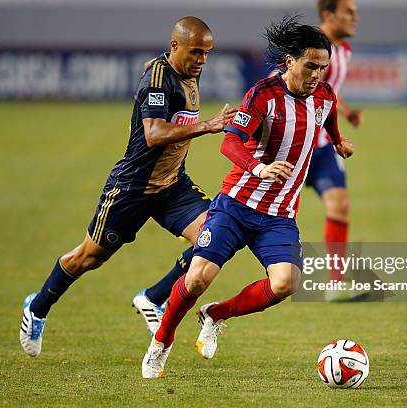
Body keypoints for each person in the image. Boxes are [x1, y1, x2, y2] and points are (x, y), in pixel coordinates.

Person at [141, 16, 354, 378]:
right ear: (289, 61)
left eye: (322, 67)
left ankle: (216, 314)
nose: (317, 74)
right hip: (236, 205)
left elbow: (329, 118)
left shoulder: (324, 96)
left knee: (286, 283)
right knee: (196, 279)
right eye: (310, 66)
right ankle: (161, 343)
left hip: (279, 216)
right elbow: (230, 141)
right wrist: (260, 168)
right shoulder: (263, 94)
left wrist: (338, 141)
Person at [19, 16, 236, 357]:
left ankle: (153, 297)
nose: (202, 60)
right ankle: (38, 306)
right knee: (88, 258)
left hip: (172, 186)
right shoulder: (157, 81)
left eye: (207, 53)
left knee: (215, 236)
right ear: (175, 46)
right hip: (132, 189)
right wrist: (208, 126)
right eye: (196, 52)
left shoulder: (185, 72)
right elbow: (154, 134)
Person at [312, 0, 363, 300]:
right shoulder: (311, 47)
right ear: (328, 15)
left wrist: (345, 112)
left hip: (323, 146)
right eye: (349, 12)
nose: (355, 18)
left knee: (339, 205)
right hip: (293, 146)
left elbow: (330, 89)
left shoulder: (343, 49)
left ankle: (335, 284)